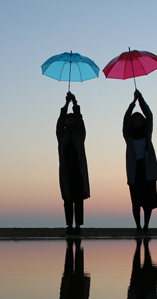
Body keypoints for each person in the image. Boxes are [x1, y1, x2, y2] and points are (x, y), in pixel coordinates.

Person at [123, 90, 157, 235]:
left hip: (148, 170)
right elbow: (125, 120)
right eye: (135, 120)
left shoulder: (147, 134)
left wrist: (141, 99)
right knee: (136, 201)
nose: (137, 122)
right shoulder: (128, 136)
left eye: (139, 120)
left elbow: (149, 115)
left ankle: (146, 226)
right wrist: (133, 103)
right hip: (134, 171)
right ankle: (138, 227)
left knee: (148, 202)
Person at [56, 92, 90, 235]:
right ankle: (69, 225)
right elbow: (60, 120)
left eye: (72, 119)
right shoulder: (61, 135)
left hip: (78, 170)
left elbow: (80, 120)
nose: (69, 120)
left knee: (79, 199)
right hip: (66, 170)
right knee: (68, 199)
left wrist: (75, 104)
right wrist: (66, 104)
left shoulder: (79, 134)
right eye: (68, 119)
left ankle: (78, 226)